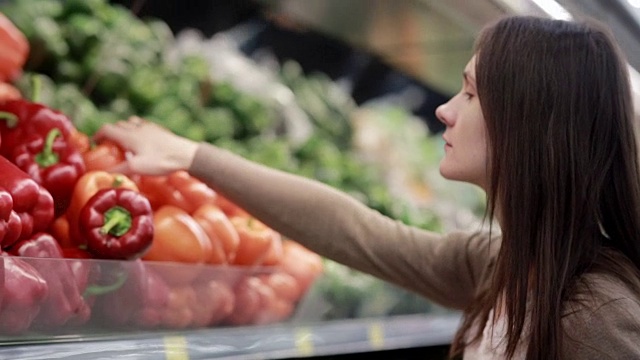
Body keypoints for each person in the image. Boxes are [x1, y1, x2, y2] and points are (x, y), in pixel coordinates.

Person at [95, 15, 640, 360]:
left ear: (529, 125)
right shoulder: (502, 265)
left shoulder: (596, 317)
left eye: (470, 95)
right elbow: (359, 232)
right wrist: (193, 156)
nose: (444, 111)